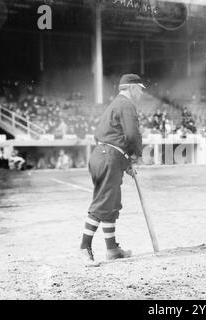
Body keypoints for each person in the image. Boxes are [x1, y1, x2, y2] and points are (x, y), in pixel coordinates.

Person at [80, 74, 144, 266]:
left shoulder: (117, 103)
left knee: (112, 204)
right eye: (139, 89)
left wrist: (125, 164)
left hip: (106, 155)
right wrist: (136, 156)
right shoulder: (126, 104)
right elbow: (132, 134)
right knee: (103, 203)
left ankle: (112, 249)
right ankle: (84, 248)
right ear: (132, 88)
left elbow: (113, 138)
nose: (141, 92)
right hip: (108, 157)